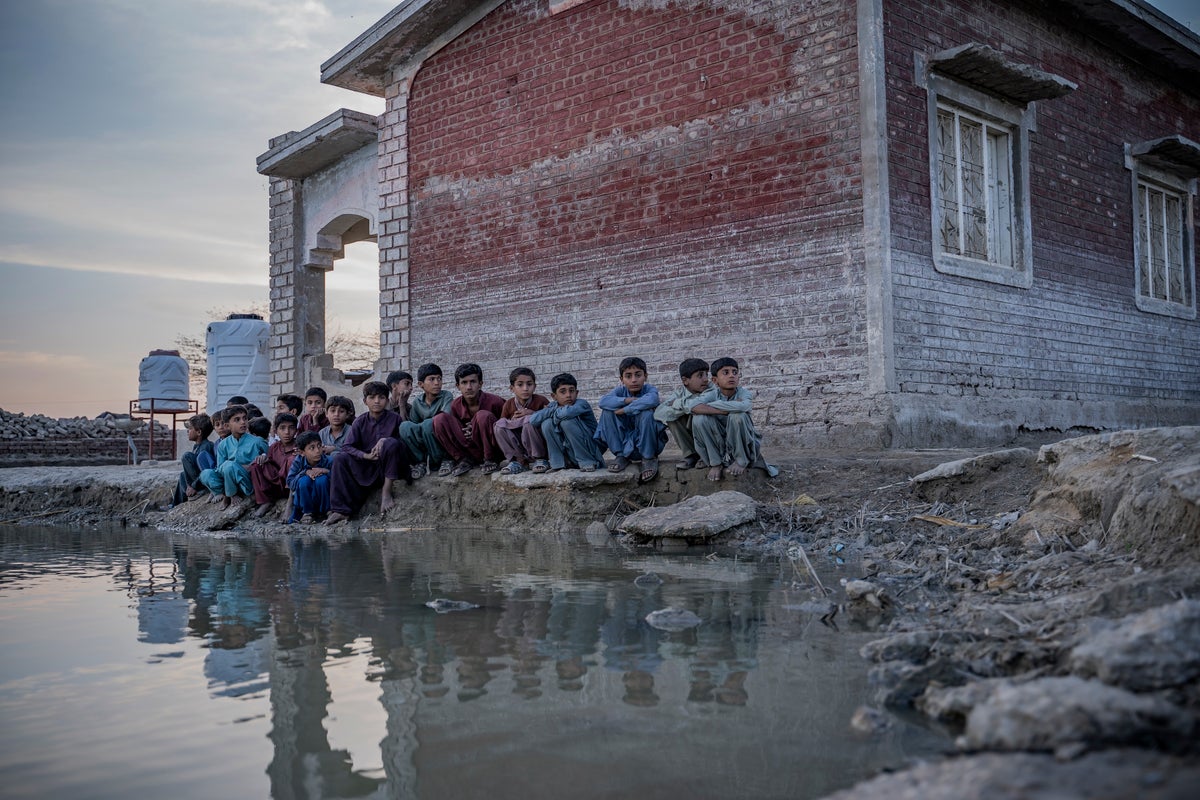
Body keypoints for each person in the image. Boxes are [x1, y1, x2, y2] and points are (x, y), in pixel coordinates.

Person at [325, 381, 414, 524]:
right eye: (372, 397)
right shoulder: (359, 421)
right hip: (368, 466)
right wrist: (365, 455)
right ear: (365, 401)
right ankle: (341, 510)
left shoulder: (395, 418)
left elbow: (403, 445)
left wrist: (385, 440)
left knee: (391, 443)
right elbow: (347, 446)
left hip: (391, 466)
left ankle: (386, 493)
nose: (377, 401)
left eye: (381, 397)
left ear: (387, 399)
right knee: (340, 458)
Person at [691, 357, 780, 481]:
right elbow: (693, 407)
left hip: (742, 443)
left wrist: (709, 406)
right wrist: (727, 409)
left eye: (735, 372)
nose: (731, 376)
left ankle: (741, 460)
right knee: (699, 419)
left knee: (738, 416)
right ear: (715, 380)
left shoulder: (744, 393)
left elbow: (745, 406)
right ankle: (716, 463)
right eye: (725, 373)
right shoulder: (711, 394)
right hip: (720, 441)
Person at [595, 356, 666, 482]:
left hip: (648, 446)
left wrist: (625, 409)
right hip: (625, 446)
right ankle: (621, 455)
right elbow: (603, 402)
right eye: (628, 376)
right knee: (607, 412)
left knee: (647, 413)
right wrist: (629, 400)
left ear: (645, 376)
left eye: (638, 375)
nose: (634, 380)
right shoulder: (619, 391)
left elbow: (652, 400)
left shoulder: (650, 389)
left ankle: (649, 458)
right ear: (621, 379)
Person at [433, 363, 505, 477]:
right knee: (439, 419)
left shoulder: (496, 402)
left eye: (473, 382)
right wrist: (466, 431)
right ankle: (463, 460)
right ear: (458, 386)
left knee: (482, 416)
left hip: (494, 450)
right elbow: (456, 432)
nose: (469, 387)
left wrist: (479, 427)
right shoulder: (455, 405)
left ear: (480, 384)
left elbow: (506, 429)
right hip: (471, 449)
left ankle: (490, 460)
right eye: (464, 383)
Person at [530, 373, 605, 472]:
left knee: (567, 422)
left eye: (571, 391)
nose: (568, 395)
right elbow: (533, 420)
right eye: (563, 392)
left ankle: (587, 461)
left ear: (577, 393)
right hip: (570, 450)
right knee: (547, 423)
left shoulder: (581, 404)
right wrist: (555, 410)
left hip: (592, 448)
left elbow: (566, 413)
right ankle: (558, 464)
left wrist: (552, 411)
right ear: (554, 396)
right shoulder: (554, 405)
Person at [199, 405, 268, 509]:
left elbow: (270, 456)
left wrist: (263, 456)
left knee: (229, 466)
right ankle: (224, 492)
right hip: (228, 477)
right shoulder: (223, 444)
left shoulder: (257, 441)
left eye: (245, 418)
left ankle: (230, 495)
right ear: (227, 425)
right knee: (205, 474)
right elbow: (220, 468)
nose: (243, 422)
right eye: (237, 420)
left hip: (246, 481)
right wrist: (235, 467)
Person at [654, 358, 711, 470]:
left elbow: (697, 405)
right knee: (672, 418)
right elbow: (659, 413)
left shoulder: (711, 389)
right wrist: (686, 408)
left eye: (706, 375)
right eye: (700, 375)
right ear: (685, 380)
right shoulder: (679, 393)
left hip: (712, 440)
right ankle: (691, 455)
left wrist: (677, 404)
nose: (705, 379)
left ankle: (707, 455)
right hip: (692, 436)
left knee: (699, 414)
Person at [399, 363, 453, 478]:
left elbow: (445, 418)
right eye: (432, 379)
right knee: (405, 426)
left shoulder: (446, 396)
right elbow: (413, 426)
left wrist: (425, 425)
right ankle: (420, 462)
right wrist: (402, 405)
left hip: (442, 439)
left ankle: (445, 460)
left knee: (429, 423)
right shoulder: (418, 402)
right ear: (421, 384)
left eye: (439, 379)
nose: (437, 383)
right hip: (426, 440)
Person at [494, 367, 550, 474]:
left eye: (529, 384)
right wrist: (512, 421)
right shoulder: (509, 404)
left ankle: (540, 459)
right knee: (498, 426)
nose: (525, 388)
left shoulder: (541, 400)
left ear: (534, 386)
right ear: (512, 388)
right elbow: (503, 424)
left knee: (530, 421)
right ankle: (517, 461)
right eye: (520, 385)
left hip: (537, 443)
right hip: (519, 444)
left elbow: (550, 419)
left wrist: (533, 414)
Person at [248, 412, 299, 518]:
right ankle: (265, 501)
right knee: (256, 464)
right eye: (283, 428)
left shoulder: (299, 447)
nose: (287, 432)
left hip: (292, 487)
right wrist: (264, 458)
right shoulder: (274, 447)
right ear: (276, 431)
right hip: (276, 486)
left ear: (296, 431)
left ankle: (290, 503)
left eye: (291, 428)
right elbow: (270, 464)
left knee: (292, 460)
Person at [286, 431, 333, 524]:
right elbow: (290, 482)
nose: (317, 450)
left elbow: (340, 479)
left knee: (322, 480)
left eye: (319, 446)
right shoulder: (298, 462)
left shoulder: (329, 461)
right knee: (304, 481)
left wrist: (325, 471)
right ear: (302, 452)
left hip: (325, 499)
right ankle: (307, 513)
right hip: (306, 499)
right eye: (312, 448)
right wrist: (305, 472)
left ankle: (329, 511)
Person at [171, 413, 216, 506]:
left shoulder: (206, 447)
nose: (188, 431)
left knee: (186, 456)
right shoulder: (197, 446)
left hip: (203, 481)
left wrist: (193, 486)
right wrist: (188, 484)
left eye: (190, 428)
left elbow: (205, 470)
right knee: (182, 475)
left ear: (199, 432)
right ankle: (176, 504)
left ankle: (198, 490)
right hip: (196, 480)